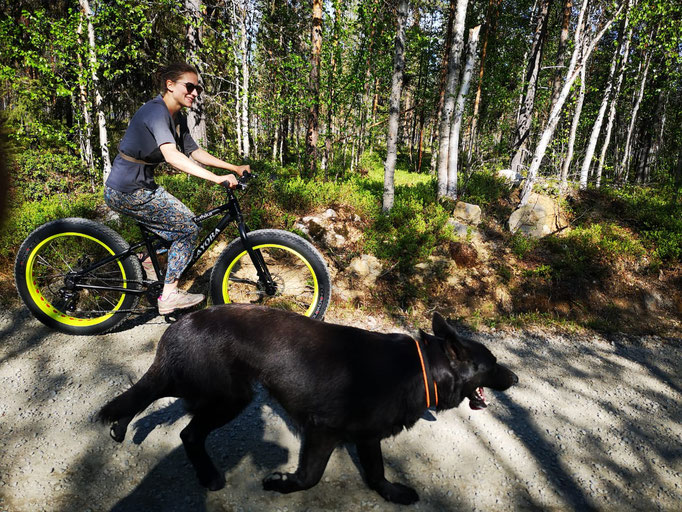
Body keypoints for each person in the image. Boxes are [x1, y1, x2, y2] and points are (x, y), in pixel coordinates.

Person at [104, 62, 249, 315]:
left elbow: (194, 152)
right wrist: (216, 179)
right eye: (189, 86)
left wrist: (234, 167)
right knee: (187, 230)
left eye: (198, 89)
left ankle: (150, 263)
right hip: (128, 190)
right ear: (170, 85)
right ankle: (169, 295)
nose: (194, 93)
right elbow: (172, 156)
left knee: (187, 222)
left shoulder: (177, 116)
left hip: (143, 186)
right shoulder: (156, 112)